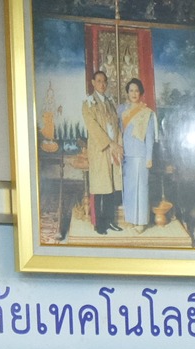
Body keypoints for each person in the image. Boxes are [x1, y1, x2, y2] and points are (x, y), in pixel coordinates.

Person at [81, 69, 123, 235]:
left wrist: (118, 144)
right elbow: (93, 128)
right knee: (100, 186)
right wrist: (110, 143)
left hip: (113, 149)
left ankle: (111, 220)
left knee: (112, 185)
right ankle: (99, 224)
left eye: (104, 81)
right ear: (93, 83)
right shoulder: (88, 103)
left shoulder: (110, 102)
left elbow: (117, 124)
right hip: (100, 149)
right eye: (99, 81)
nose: (102, 84)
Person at [120, 78, 156, 231]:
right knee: (129, 188)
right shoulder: (121, 110)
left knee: (141, 187)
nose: (134, 93)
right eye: (131, 90)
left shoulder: (147, 113)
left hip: (141, 156)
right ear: (127, 93)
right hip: (126, 155)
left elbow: (150, 138)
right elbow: (117, 132)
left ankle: (141, 222)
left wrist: (149, 157)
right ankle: (131, 219)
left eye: (136, 90)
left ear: (140, 92)